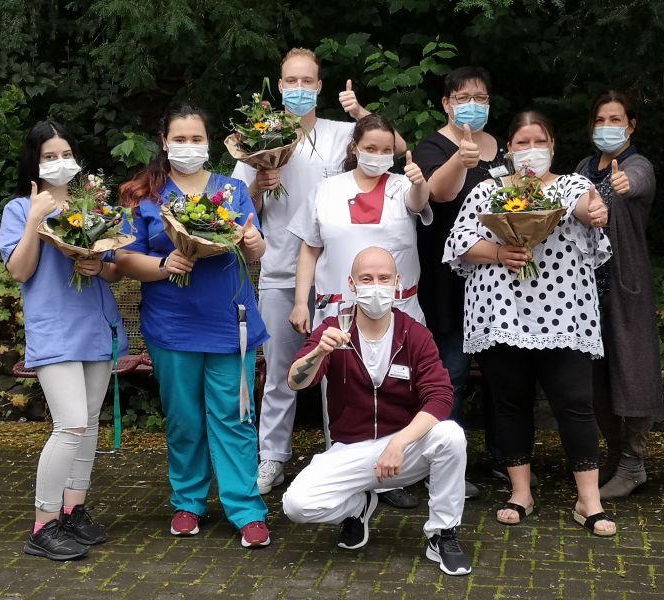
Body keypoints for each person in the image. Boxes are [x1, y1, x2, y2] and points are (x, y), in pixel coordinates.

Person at [231, 48, 406, 499]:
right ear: (280, 84)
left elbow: (393, 147)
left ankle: (345, 458)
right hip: (279, 271)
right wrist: (258, 184)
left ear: (320, 87)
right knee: (283, 372)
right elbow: (233, 212)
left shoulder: (340, 132)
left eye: (308, 82)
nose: (299, 89)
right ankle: (272, 458)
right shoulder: (256, 138)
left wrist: (361, 111)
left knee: (346, 372)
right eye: (291, 81)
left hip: (340, 282)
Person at [444, 110, 617, 536]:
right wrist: (500, 253)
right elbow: (461, 242)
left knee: (576, 404)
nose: (530, 150)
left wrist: (595, 210)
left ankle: (588, 499)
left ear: (553, 145)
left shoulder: (572, 185)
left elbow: (587, 208)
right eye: (521, 143)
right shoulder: (488, 190)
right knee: (509, 404)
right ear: (508, 149)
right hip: (502, 313)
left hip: (563, 314)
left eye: (538, 141)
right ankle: (520, 492)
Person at [116, 105, 271, 547]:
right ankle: (188, 502)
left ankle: (246, 508)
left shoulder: (233, 190)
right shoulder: (146, 195)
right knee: (184, 419)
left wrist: (256, 241)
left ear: (209, 142)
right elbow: (123, 257)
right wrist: (165, 263)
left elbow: (253, 249)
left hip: (228, 324)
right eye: (179, 139)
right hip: (172, 327)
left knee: (236, 417)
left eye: (196, 139)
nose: (188, 146)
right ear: (165, 142)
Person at [282, 247, 472, 576]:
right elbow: (296, 382)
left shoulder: (414, 334)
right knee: (297, 504)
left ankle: (442, 533)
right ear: (352, 284)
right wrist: (317, 353)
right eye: (367, 279)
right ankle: (358, 507)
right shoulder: (334, 328)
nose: (376, 286)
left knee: (451, 436)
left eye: (384, 278)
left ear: (397, 283)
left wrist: (399, 443)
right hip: (350, 448)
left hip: (404, 449)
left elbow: (440, 396)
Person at [0, 121, 128, 560]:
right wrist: (36, 219)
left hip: (96, 323)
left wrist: (98, 266)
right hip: (54, 328)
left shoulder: (93, 207)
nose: (59, 162)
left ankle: (74, 511)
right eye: (49, 156)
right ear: (35, 162)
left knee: (88, 423)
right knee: (69, 424)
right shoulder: (20, 208)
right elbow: (19, 271)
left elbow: (114, 266)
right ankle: (43, 523)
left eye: (65, 153)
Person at [287, 113, 429, 508]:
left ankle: (396, 473)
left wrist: (420, 182)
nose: (378, 156)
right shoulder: (328, 188)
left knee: (399, 388)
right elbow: (310, 247)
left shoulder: (403, 185)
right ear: (355, 148)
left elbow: (420, 205)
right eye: (370, 148)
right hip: (340, 313)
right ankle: (346, 473)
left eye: (386, 150)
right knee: (344, 394)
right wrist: (301, 300)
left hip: (397, 307)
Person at [412, 66, 508, 493]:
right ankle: (448, 466)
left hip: (500, 280)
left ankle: (507, 458)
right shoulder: (432, 146)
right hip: (447, 281)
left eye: (482, 97)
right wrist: (460, 157)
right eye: (465, 96)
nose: (475, 104)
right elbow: (437, 193)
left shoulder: (502, 148)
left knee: (504, 375)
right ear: (447, 103)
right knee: (449, 373)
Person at [575, 91, 663, 499]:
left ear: (631, 124)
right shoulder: (583, 167)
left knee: (633, 372)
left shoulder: (637, 165)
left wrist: (623, 183)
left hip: (626, 287)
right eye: (601, 119)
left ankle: (633, 462)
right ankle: (613, 456)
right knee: (597, 378)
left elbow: (639, 183)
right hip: (583, 289)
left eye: (616, 119)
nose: (607, 126)